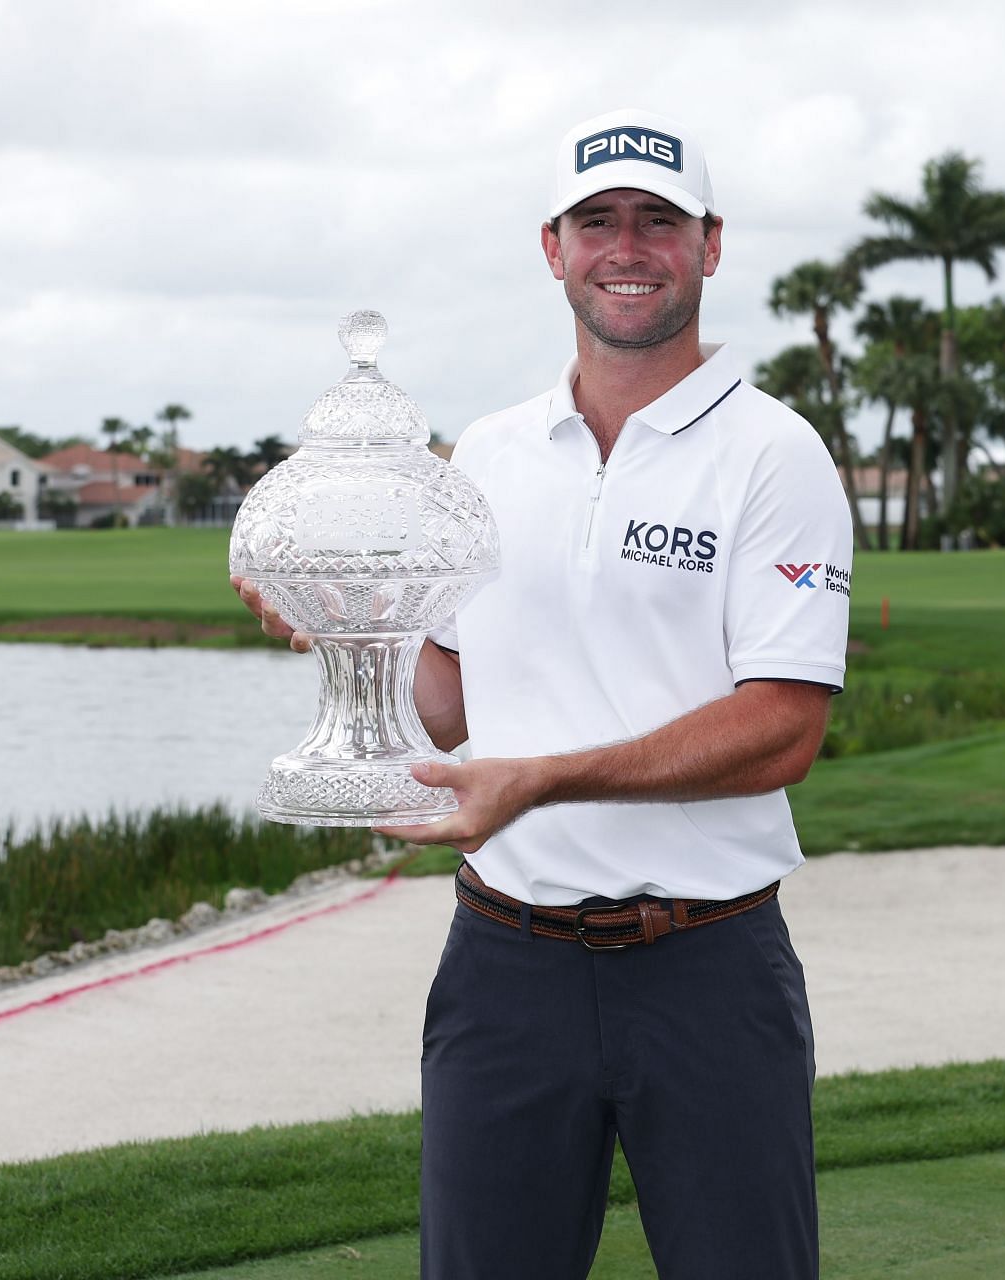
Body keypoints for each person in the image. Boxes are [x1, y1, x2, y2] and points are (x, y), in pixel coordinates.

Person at [233, 106, 849, 1280]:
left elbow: (783, 726)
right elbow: (453, 699)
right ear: (552, 247)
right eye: (597, 220)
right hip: (504, 968)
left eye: (658, 221)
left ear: (709, 246)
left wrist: (541, 781)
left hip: (708, 968)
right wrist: (338, 634)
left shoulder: (775, 453)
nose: (628, 246)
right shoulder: (491, 453)